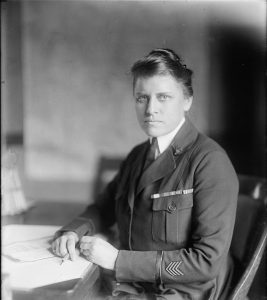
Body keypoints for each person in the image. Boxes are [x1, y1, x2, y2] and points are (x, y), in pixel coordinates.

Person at [52, 48, 238, 300]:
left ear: (187, 101)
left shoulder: (209, 161)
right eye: (142, 98)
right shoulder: (138, 155)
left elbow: (206, 262)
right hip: (134, 285)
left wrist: (119, 260)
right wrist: (74, 231)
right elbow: (104, 208)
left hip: (182, 292)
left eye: (163, 97)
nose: (151, 109)